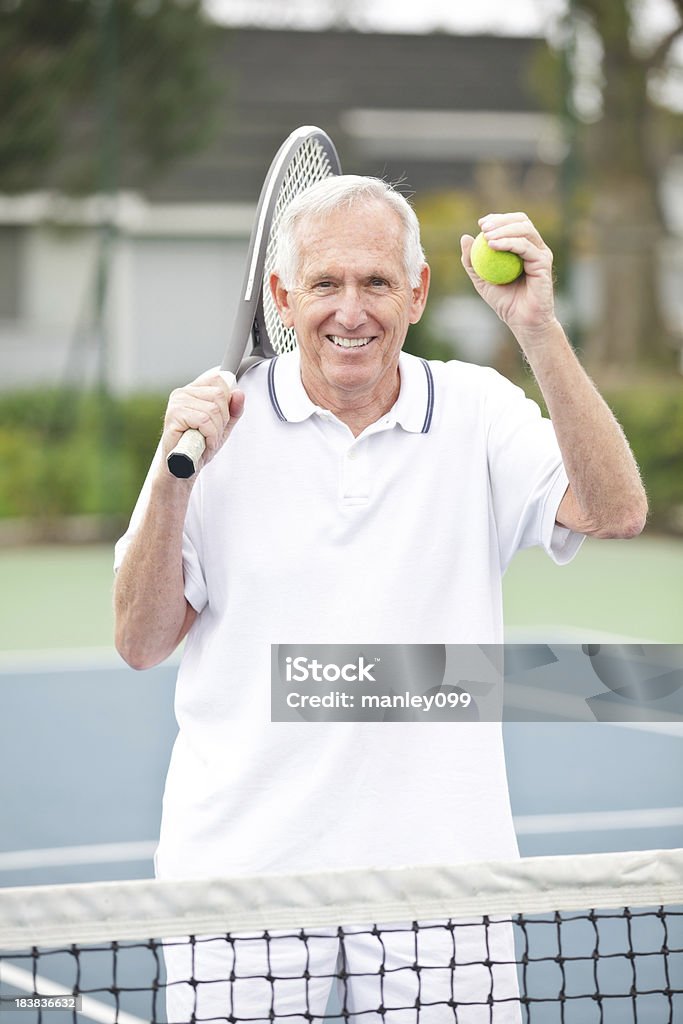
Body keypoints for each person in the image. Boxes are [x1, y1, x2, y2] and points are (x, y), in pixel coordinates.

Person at [114, 176, 647, 1023]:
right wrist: (176, 478)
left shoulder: (476, 410)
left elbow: (615, 510)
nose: (350, 311)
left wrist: (537, 330)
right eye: (325, 284)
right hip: (241, 875)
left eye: (375, 282)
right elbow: (140, 642)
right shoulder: (213, 430)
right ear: (284, 297)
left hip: (443, 877)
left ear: (418, 291)